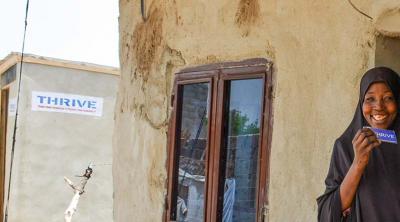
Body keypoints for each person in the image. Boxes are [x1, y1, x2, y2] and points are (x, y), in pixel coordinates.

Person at [317, 67, 400, 222]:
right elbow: (327, 214)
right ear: (361, 103)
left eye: (388, 98)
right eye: (370, 99)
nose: (379, 107)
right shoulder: (345, 147)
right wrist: (358, 164)